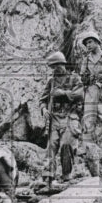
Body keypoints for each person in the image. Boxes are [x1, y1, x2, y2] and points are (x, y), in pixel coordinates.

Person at [40, 51, 84, 182]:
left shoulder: (74, 78)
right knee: (51, 147)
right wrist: (43, 109)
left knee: (66, 145)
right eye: (52, 67)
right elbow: (42, 99)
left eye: (56, 66)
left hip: (70, 117)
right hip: (54, 118)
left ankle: (66, 175)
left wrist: (62, 93)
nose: (54, 69)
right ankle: (48, 176)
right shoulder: (51, 81)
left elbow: (80, 95)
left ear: (62, 64)